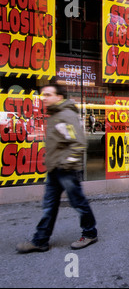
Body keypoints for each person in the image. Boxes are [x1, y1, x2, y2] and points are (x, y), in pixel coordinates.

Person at [16, 84, 98, 253]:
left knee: (78, 203)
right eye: (42, 95)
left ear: (59, 97)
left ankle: (90, 233)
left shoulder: (66, 115)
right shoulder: (55, 115)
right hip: (55, 169)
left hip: (65, 170)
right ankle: (40, 240)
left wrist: (67, 164)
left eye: (48, 94)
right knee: (49, 205)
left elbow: (78, 143)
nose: (43, 97)